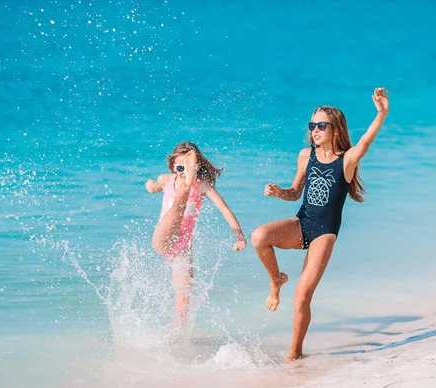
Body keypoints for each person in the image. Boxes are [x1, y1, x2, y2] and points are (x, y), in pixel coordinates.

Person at [251, 88, 389, 361]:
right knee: (259, 236)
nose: (314, 130)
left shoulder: (346, 161)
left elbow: (364, 142)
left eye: (321, 125)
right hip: (302, 223)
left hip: (324, 234)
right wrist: (280, 192)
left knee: (302, 297)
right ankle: (276, 280)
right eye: (312, 125)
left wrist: (382, 113)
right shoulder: (306, 155)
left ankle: (294, 354)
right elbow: (294, 192)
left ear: (335, 129)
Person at [146, 142, 247, 324]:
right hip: (163, 239)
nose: (183, 172)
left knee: (184, 294)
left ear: (197, 167)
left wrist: (239, 236)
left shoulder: (202, 186)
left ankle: (179, 336)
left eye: (189, 168)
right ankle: (185, 189)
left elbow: (224, 209)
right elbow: (154, 187)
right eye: (180, 168)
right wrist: (150, 186)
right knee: (179, 206)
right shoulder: (167, 180)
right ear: (172, 167)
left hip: (182, 247)